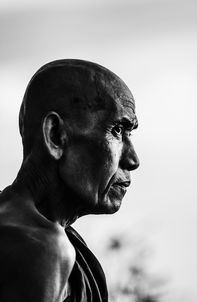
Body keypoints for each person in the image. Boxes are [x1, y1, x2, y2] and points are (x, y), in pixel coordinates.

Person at [0, 59, 139, 302]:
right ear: (56, 135)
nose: (133, 160)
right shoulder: (39, 248)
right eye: (117, 130)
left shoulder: (56, 239)